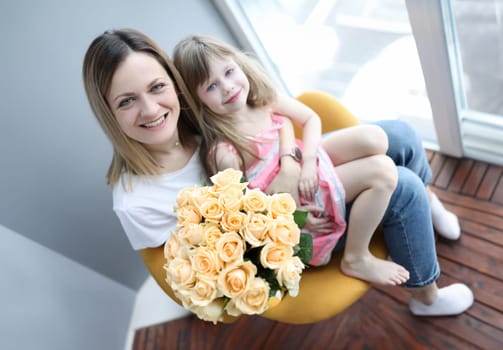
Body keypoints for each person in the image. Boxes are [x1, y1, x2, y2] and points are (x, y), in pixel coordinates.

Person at [82, 28, 473, 317]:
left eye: (157, 87)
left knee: (399, 135)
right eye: (127, 101)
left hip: (293, 178)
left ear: (179, 88)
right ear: (109, 113)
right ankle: (428, 296)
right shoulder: (139, 201)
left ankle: (427, 200)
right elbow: (226, 264)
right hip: (297, 231)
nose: (151, 110)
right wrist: (294, 219)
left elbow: (270, 121)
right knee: (399, 184)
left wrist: (291, 160)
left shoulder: (199, 120)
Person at [173, 35, 409, 286]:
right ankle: (356, 257)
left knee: (375, 138)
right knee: (382, 171)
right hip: (301, 198)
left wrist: (306, 162)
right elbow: (249, 209)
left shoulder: (261, 101)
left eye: (229, 72)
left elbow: (309, 119)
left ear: (239, 64)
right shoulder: (226, 152)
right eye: (211, 87)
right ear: (198, 101)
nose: (228, 87)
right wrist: (299, 217)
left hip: (305, 166)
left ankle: (408, 196)